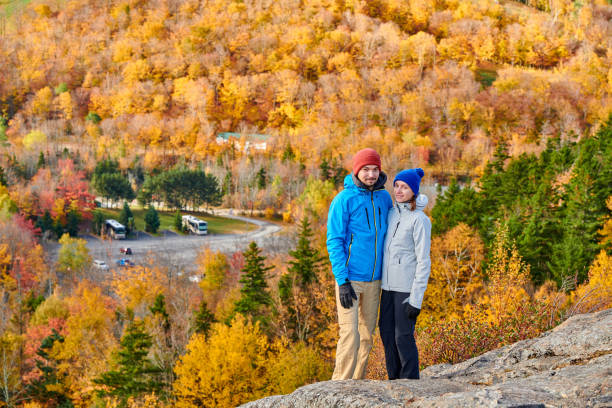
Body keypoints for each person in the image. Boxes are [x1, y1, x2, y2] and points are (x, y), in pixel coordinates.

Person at [326, 148, 393, 380]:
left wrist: (417, 204)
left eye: (375, 169)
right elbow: (334, 241)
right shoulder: (343, 200)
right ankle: (338, 389)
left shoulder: (385, 197)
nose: (371, 174)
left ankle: (356, 385)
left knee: (367, 336)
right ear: (357, 170)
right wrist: (342, 281)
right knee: (350, 334)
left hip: (375, 280)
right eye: (366, 169)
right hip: (351, 280)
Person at [379, 168, 431, 380]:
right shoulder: (391, 213)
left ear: (414, 191)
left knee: (403, 337)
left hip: (406, 289)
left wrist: (416, 299)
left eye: (405, 187)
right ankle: (394, 380)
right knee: (387, 334)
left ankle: (410, 381)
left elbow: (423, 261)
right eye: (397, 185)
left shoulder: (419, 219)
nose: (399, 190)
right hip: (387, 287)